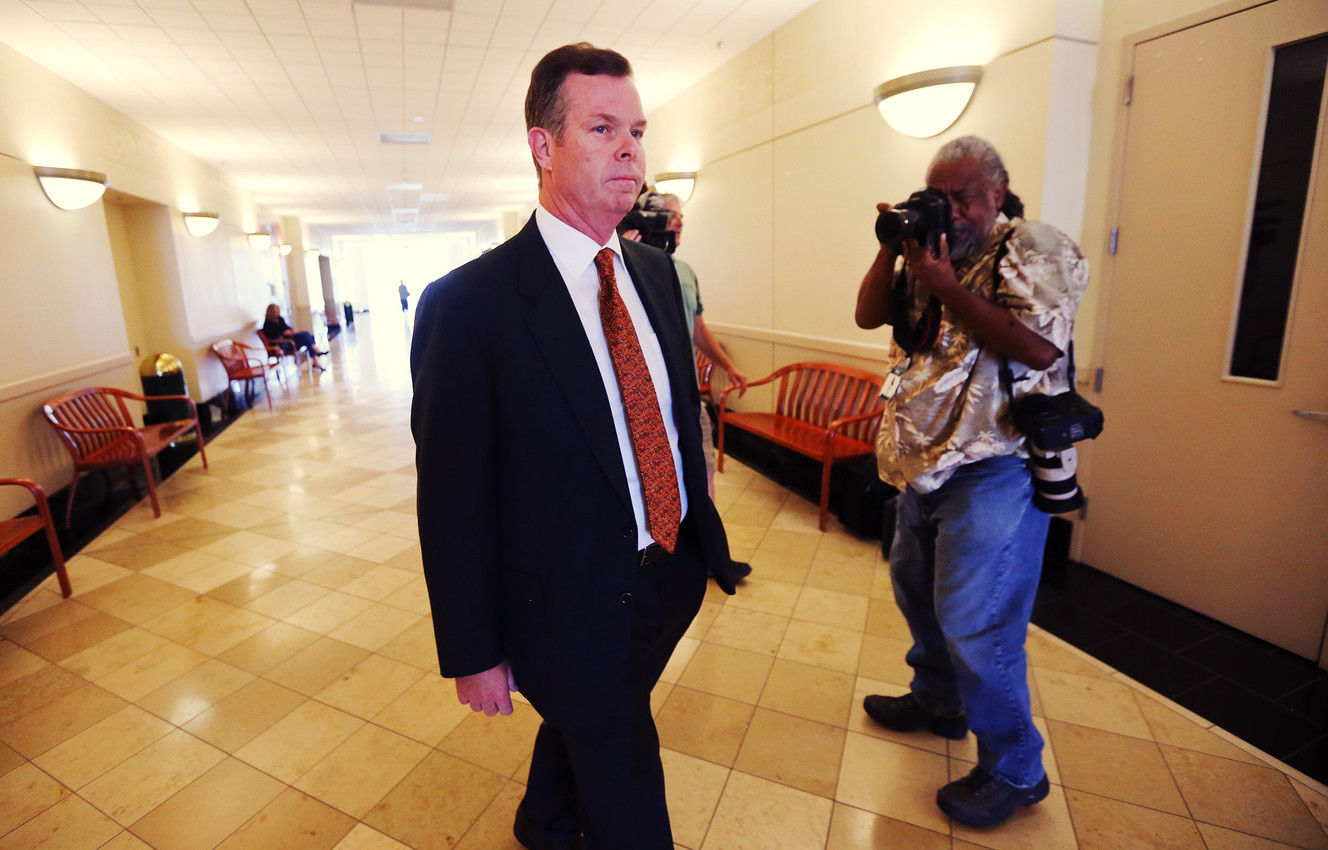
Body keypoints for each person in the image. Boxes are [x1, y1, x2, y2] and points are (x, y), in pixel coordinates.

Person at [410, 43, 739, 850]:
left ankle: (544, 818)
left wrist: (696, 547)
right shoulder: (469, 306)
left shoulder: (657, 276)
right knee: (624, 767)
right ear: (543, 145)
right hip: (562, 604)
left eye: (636, 129)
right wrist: (474, 649)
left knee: (600, 719)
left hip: (669, 571)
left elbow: (665, 419)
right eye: (601, 128)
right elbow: (452, 500)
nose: (630, 149)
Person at [854, 136, 1088, 827]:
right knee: (917, 592)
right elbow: (869, 316)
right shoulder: (928, 252)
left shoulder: (1033, 247)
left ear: (998, 192)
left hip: (997, 465)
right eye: (939, 196)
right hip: (922, 464)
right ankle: (938, 700)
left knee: (977, 622)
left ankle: (1016, 768)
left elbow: (1039, 347)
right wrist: (892, 244)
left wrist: (947, 287)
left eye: (964, 196)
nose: (951, 209)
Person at [624, 190, 752, 580]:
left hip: (687, 395)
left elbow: (696, 326)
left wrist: (728, 365)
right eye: (667, 215)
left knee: (701, 468)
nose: (676, 222)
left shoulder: (685, 272)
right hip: (643, 396)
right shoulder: (624, 267)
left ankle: (708, 551)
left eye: (680, 217)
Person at [261, 303, 327, 367]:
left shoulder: (280, 319)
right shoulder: (267, 324)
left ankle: (315, 359)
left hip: (289, 338)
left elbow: (287, 328)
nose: (277, 312)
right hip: (283, 343)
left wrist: (288, 331)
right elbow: (272, 336)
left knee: (305, 339)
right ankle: (316, 353)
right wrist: (283, 333)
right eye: (275, 311)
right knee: (305, 335)